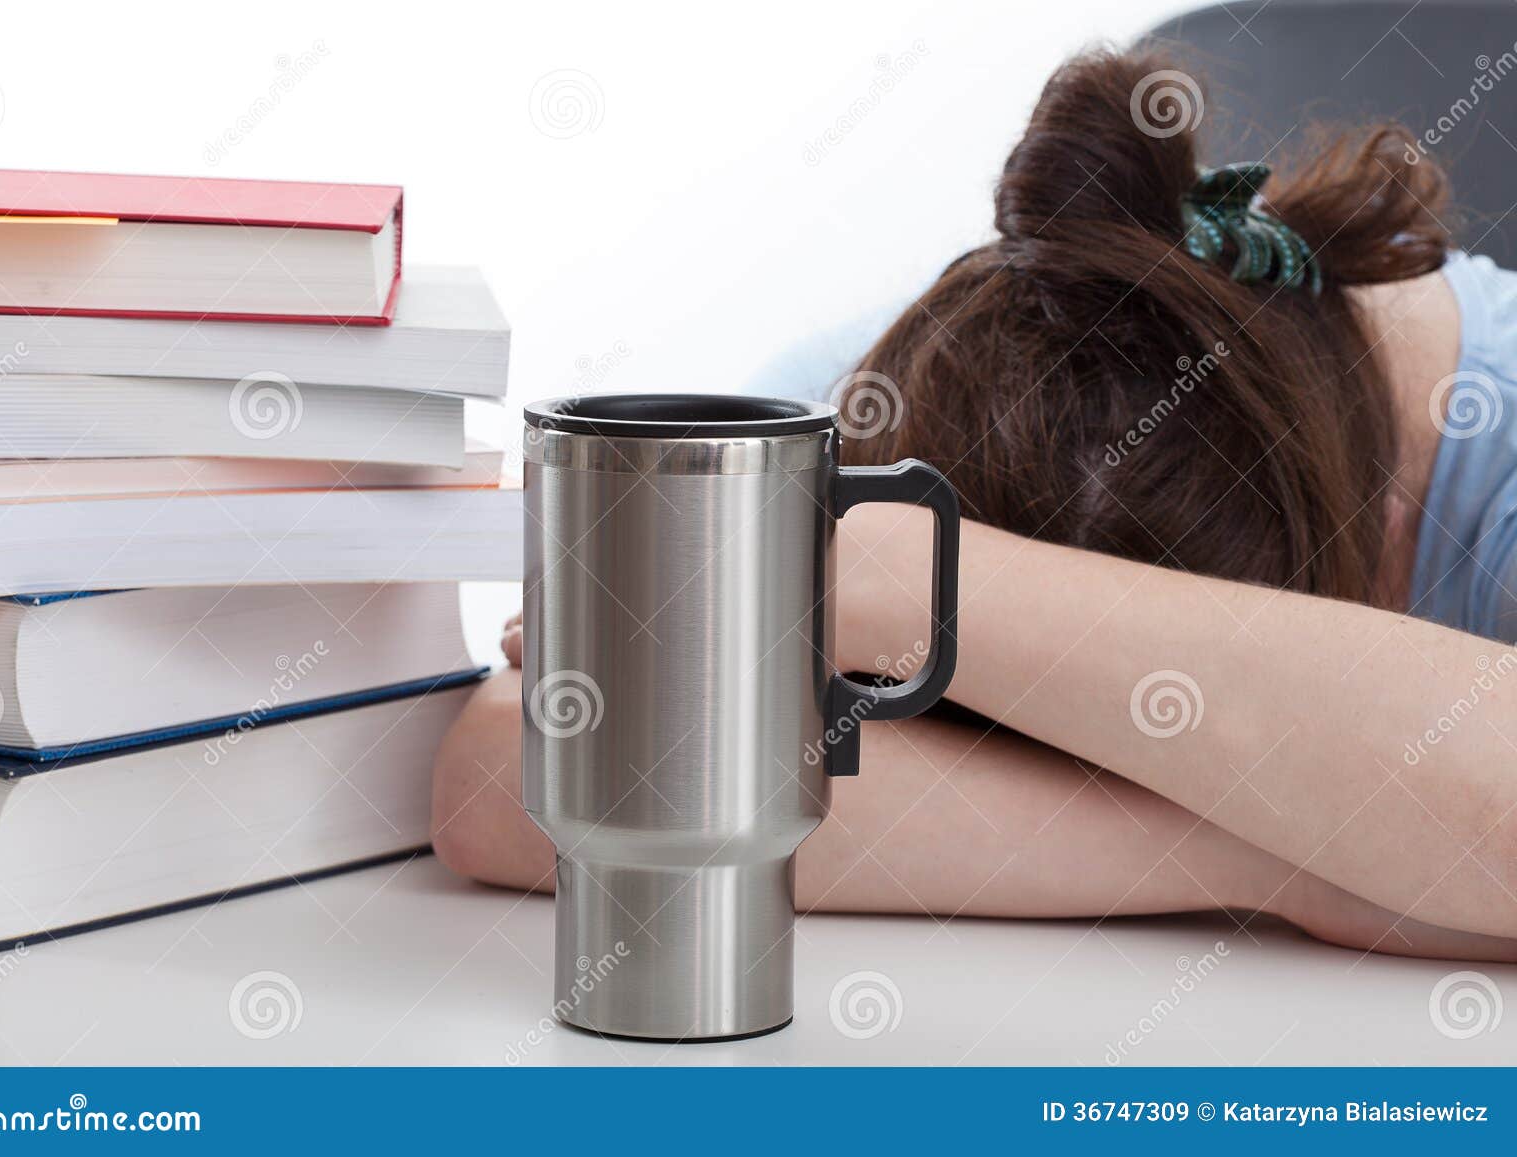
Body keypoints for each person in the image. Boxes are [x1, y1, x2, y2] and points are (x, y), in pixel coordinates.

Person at [431, 48, 1517, 962]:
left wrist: (906, 575)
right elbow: (513, 772)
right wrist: (1271, 851)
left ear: (1365, 538)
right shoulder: (954, 379)